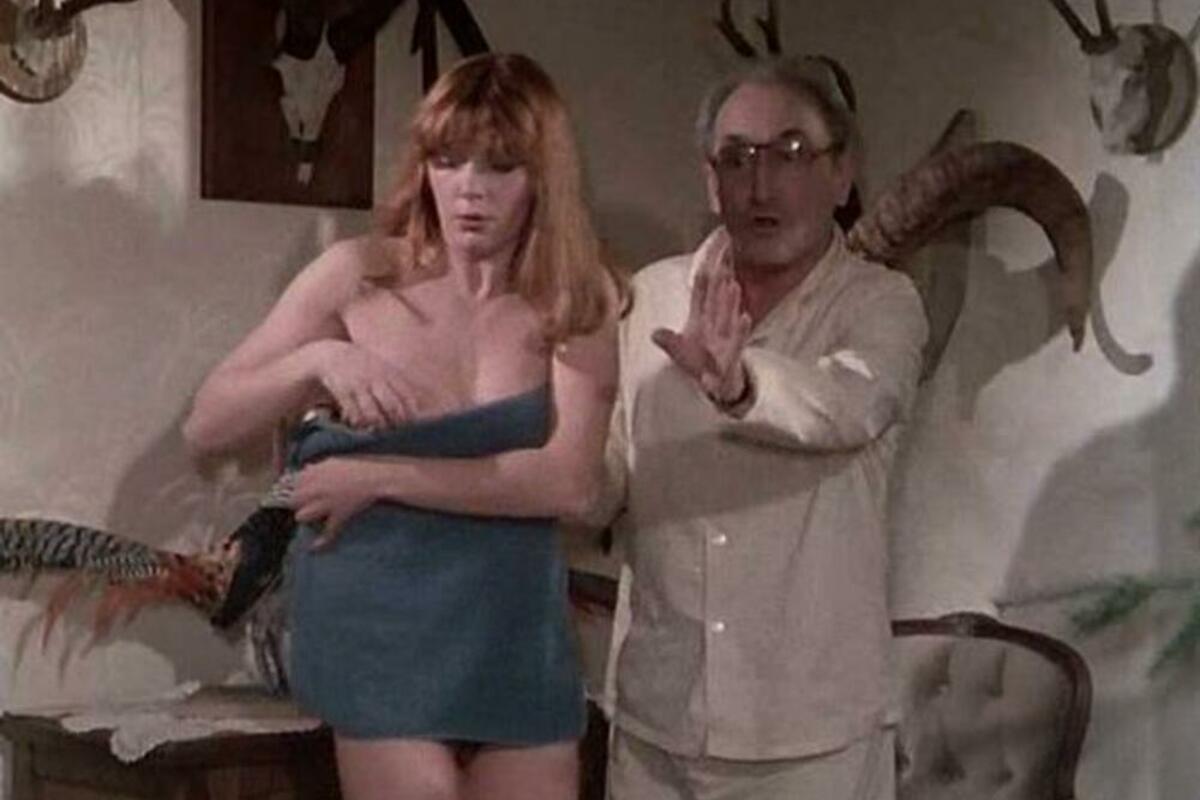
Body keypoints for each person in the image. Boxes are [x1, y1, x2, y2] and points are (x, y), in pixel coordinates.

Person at [183, 53, 625, 800]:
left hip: (512, 624)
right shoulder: (358, 275)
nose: (470, 189)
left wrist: (378, 476)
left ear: (543, 178)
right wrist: (319, 360)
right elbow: (209, 423)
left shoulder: (575, 300)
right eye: (448, 161)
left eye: (500, 166)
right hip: (378, 618)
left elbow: (570, 483)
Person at [593, 56, 929, 799]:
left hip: (810, 739)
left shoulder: (883, 304)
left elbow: (848, 404)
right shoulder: (652, 297)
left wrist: (740, 384)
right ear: (711, 180)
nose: (761, 185)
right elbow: (607, 479)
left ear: (842, 174)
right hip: (658, 724)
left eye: (792, 154)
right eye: (737, 158)